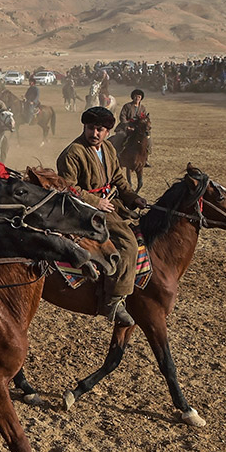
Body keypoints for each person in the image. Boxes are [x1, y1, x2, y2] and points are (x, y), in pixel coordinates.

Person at [56, 107, 148, 327]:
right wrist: (96, 202)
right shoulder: (73, 153)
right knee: (127, 243)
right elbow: (67, 187)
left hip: (110, 203)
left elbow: (117, 176)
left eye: (100, 129)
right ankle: (113, 300)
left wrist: (131, 196)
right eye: (90, 128)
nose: (94, 133)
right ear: (84, 127)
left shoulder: (107, 148)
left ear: (107, 132)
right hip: (85, 210)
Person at [111, 88, 150, 156]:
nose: (137, 98)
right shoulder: (127, 106)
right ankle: (117, 153)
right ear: (133, 97)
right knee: (121, 136)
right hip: (125, 127)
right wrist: (127, 126)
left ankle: (145, 156)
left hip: (138, 128)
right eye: (135, 96)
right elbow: (122, 117)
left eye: (139, 97)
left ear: (141, 98)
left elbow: (144, 119)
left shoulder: (143, 108)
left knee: (148, 139)